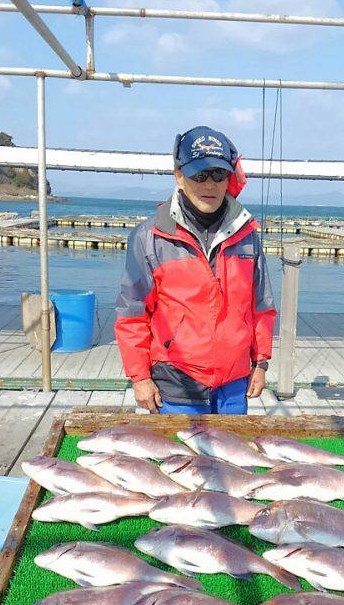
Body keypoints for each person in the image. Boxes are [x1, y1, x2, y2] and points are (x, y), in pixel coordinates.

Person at [114, 125, 276, 414]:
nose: (209, 185)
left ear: (229, 177)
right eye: (199, 175)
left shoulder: (248, 235)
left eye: (218, 174)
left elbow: (261, 306)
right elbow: (132, 314)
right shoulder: (148, 237)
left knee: (232, 459)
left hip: (234, 384)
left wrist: (260, 362)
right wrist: (139, 377)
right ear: (179, 175)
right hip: (176, 383)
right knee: (180, 460)